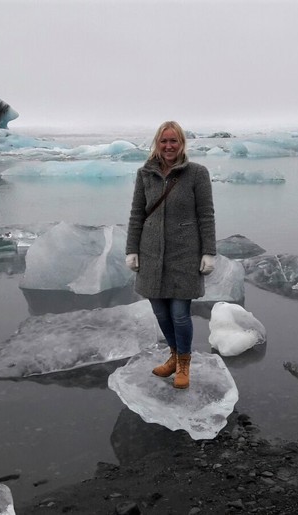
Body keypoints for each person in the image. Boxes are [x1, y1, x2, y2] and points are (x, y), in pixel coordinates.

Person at [125, 121, 217, 389]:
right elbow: (137, 214)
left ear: (182, 144)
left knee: (179, 313)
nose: (168, 146)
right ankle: (174, 357)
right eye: (164, 141)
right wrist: (132, 249)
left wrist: (208, 252)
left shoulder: (197, 173)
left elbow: (206, 215)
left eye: (173, 141)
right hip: (151, 253)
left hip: (184, 254)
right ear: (157, 143)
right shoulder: (145, 173)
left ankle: (184, 364)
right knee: (161, 313)